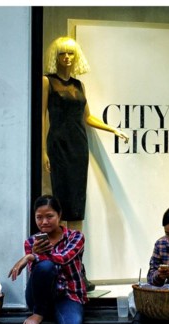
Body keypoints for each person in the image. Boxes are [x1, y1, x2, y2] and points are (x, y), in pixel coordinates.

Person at [41, 36, 129, 230]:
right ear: (55, 56)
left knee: (77, 198)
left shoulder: (79, 85)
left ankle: (75, 251)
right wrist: (43, 151)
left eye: (70, 53)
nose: (66, 57)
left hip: (79, 147)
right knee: (60, 197)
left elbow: (87, 117)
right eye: (62, 53)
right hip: (58, 145)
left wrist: (112, 129)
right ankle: (59, 250)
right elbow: (41, 117)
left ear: (76, 56)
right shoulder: (47, 81)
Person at [8, 194, 88, 324]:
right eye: (39, 217)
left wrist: (31, 256)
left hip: (68, 295)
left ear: (59, 215)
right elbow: (41, 272)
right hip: (40, 297)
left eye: (49, 216)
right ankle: (39, 314)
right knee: (44, 268)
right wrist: (33, 254)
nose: (44, 222)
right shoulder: (31, 242)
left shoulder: (76, 237)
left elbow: (63, 258)